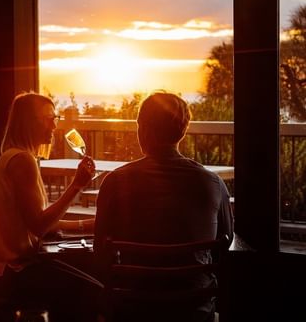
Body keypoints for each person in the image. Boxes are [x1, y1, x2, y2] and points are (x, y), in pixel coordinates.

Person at [94, 91, 234, 322]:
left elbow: (100, 254)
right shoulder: (213, 184)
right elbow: (223, 244)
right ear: (182, 131)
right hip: (194, 311)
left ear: (144, 130)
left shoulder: (115, 182)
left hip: (133, 309)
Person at [0, 92, 101, 321]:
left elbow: (38, 222)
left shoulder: (20, 157)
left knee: (88, 285)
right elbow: (39, 225)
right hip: (3, 273)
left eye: (56, 118)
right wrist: (76, 186)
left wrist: (88, 225)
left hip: (9, 269)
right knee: (92, 293)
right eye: (49, 118)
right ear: (30, 122)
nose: (55, 125)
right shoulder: (22, 161)